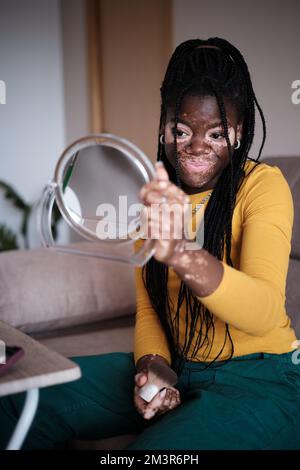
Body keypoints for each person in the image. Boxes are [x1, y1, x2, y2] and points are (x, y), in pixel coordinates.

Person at [1, 37, 300, 450]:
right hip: (180, 365)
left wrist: (180, 252)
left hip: (259, 380)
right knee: (19, 397)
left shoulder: (263, 186)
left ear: (240, 131)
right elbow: (150, 307)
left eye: (216, 133)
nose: (196, 146)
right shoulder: (157, 194)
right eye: (181, 130)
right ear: (164, 126)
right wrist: (154, 367)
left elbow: (265, 312)